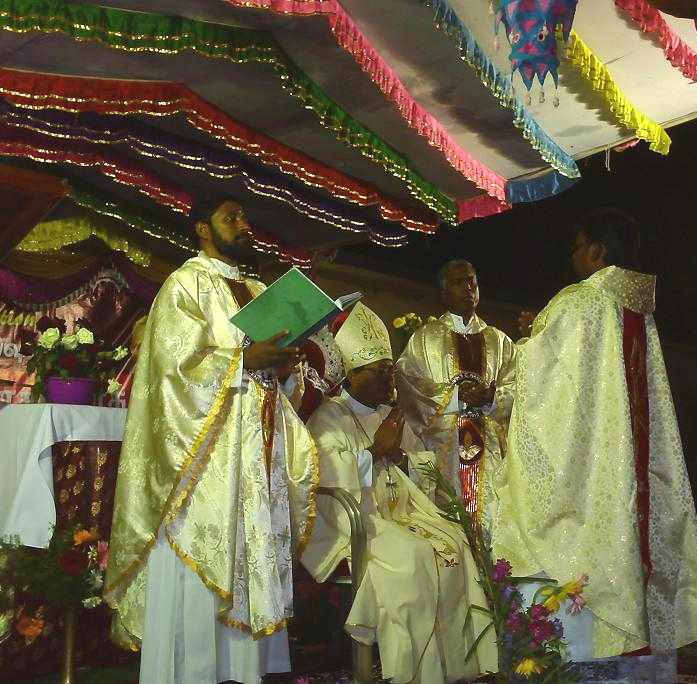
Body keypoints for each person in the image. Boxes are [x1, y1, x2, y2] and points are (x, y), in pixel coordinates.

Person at [493, 208, 697, 681]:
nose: (573, 256)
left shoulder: (580, 302)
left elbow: (548, 388)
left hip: (596, 475)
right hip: (629, 466)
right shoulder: (637, 310)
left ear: (597, 251)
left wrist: (528, 342)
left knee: (573, 543)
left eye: (576, 246)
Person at [103, 198, 320, 684]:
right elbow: (172, 370)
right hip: (204, 462)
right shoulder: (185, 284)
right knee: (206, 552)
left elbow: (278, 380)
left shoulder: (260, 291)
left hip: (256, 450)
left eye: (244, 216)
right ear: (202, 229)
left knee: (250, 551)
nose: (244, 224)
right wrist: (243, 361)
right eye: (230, 217)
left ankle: (244, 671)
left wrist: (285, 367)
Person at [301, 302, 497, 683]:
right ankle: (412, 672)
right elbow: (324, 478)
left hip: (405, 514)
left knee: (456, 542)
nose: (389, 379)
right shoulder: (329, 417)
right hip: (360, 523)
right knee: (414, 556)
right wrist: (374, 452)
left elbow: (425, 464)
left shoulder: (389, 414)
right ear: (353, 374)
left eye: (390, 370)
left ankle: (460, 667)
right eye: (380, 372)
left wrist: (400, 457)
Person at [397, 259, 515, 533]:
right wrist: (455, 396)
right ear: (443, 293)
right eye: (458, 282)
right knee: (451, 527)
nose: (467, 288)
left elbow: (520, 385)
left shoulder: (500, 341)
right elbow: (408, 382)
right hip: (446, 452)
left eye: (471, 281)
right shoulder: (424, 339)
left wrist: (491, 399)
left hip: (491, 452)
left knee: (494, 523)